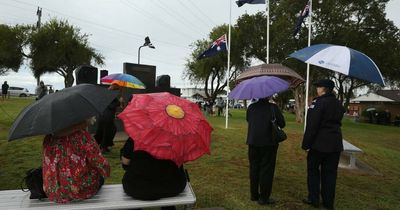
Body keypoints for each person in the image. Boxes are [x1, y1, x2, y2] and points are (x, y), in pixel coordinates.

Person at [42, 118, 110, 203]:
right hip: (80, 191)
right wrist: (106, 172)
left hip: (53, 191)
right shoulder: (81, 136)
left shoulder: (48, 138)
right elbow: (99, 162)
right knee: (100, 178)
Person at [302, 79, 345, 210]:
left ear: (324, 89)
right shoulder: (338, 104)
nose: (317, 89)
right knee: (330, 174)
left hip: (318, 144)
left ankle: (314, 199)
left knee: (313, 171)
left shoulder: (318, 103)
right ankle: (328, 202)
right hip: (335, 144)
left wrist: (306, 144)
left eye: (318, 87)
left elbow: (312, 126)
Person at [120, 138, 187, 210]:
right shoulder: (174, 136)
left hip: (137, 187)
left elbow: (125, 163)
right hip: (172, 186)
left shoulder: (136, 136)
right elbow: (180, 162)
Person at [246, 97, 285, 205]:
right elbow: (282, 124)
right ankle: (264, 197)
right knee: (266, 169)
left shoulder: (251, 108)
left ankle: (254, 194)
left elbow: (248, 120)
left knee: (254, 168)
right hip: (269, 143)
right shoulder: (273, 107)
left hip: (253, 141)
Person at [95, 83, 123, 153]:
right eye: (118, 90)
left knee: (105, 131)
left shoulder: (109, 95)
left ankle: (101, 146)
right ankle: (103, 147)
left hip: (104, 116)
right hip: (106, 117)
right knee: (107, 131)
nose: (119, 92)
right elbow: (111, 106)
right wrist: (119, 102)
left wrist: (120, 102)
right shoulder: (110, 96)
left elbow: (117, 105)